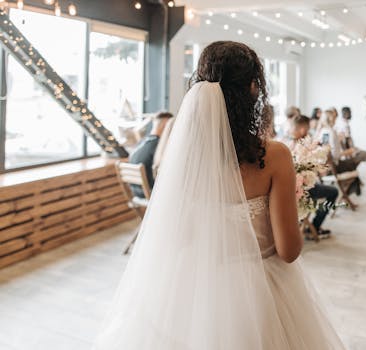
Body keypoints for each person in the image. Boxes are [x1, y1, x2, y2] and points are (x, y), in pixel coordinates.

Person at [93, 41, 345, 350]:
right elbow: (289, 250)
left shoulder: (184, 156)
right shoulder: (274, 155)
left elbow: (179, 236)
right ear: (254, 89)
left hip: (195, 290)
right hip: (263, 293)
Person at [287, 115, 339, 237]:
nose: (308, 131)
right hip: (303, 189)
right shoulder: (301, 145)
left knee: (321, 186)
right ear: (303, 129)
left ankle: (308, 225)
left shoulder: (286, 142)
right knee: (334, 192)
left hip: (292, 189)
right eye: (308, 128)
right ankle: (315, 226)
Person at [128, 111, 173, 198]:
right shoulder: (158, 146)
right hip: (149, 193)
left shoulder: (142, 142)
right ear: (165, 126)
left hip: (135, 191)